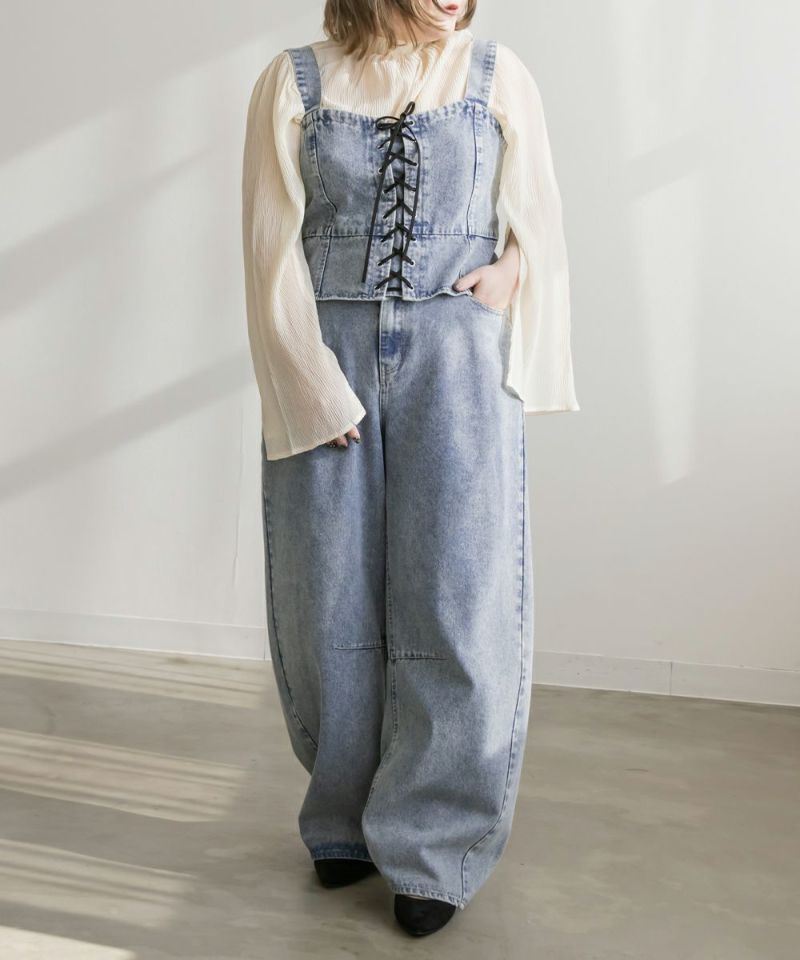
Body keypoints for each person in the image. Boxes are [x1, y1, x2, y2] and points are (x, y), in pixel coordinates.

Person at [241, 0, 579, 937]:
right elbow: (269, 247)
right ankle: (343, 817)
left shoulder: (495, 73)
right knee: (326, 595)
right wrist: (312, 385)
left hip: (458, 358)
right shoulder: (293, 81)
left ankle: (433, 845)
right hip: (329, 349)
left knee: (459, 594)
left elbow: (539, 217)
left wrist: (508, 276)